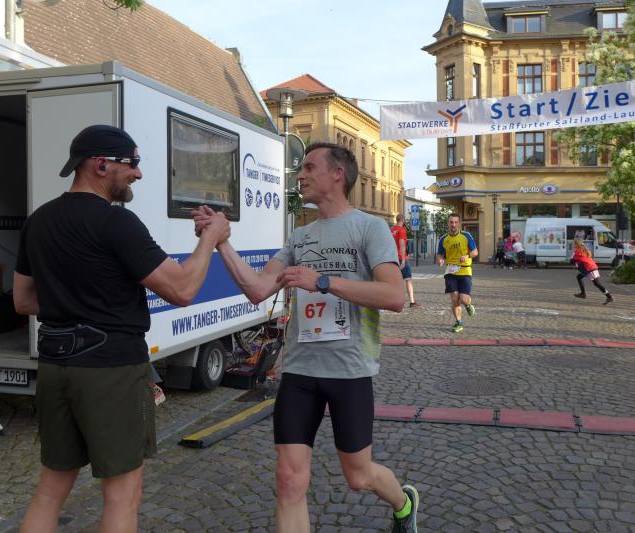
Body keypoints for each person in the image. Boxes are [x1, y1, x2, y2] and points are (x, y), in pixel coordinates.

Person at [14, 124, 230, 533]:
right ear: (100, 165)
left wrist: (73, 300)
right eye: (132, 163)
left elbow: (23, 301)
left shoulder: (39, 220)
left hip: (56, 366)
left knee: (51, 488)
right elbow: (182, 289)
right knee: (122, 493)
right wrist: (210, 238)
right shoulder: (116, 222)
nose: (138, 173)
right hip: (110, 368)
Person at [193, 142, 419, 533]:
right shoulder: (299, 237)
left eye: (310, 167)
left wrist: (324, 281)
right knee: (288, 480)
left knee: (358, 476)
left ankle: (403, 502)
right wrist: (219, 241)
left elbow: (394, 296)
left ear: (337, 174)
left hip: (349, 370)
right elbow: (258, 288)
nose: (301, 175)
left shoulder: (370, 227)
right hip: (299, 371)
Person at [436, 213, 478, 333]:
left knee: (463, 299)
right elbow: (440, 254)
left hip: (465, 269)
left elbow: (475, 251)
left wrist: (467, 255)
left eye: (455, 222)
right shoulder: (443, 239)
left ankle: (468, 305)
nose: (453, 225)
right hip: (450, 271)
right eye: (451, 222)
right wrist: (440, 260)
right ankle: (458, 322)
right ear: (448, 223)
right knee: (454, 297)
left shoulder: (466, 235)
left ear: (459, 223)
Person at [390, 213, 421, 308]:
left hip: (392, 257)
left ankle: (393, 301)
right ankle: (412, 301)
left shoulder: (392, 230)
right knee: (408, 279)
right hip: (400, 257)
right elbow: (402, 245)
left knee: (395, 280)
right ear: (403, 220)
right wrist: (403, 260)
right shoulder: (402, 230)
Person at [570, 238, 613, 304]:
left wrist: (573, 255)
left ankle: (609, 297)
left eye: (574, 243)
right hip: (590, 267)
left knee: (597, 284)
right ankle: (583, 294)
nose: (573, 244)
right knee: (579, 277)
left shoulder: (578, 251)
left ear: (576, 244)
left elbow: (572, 261)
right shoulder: (583, 249)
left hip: (590, 268)